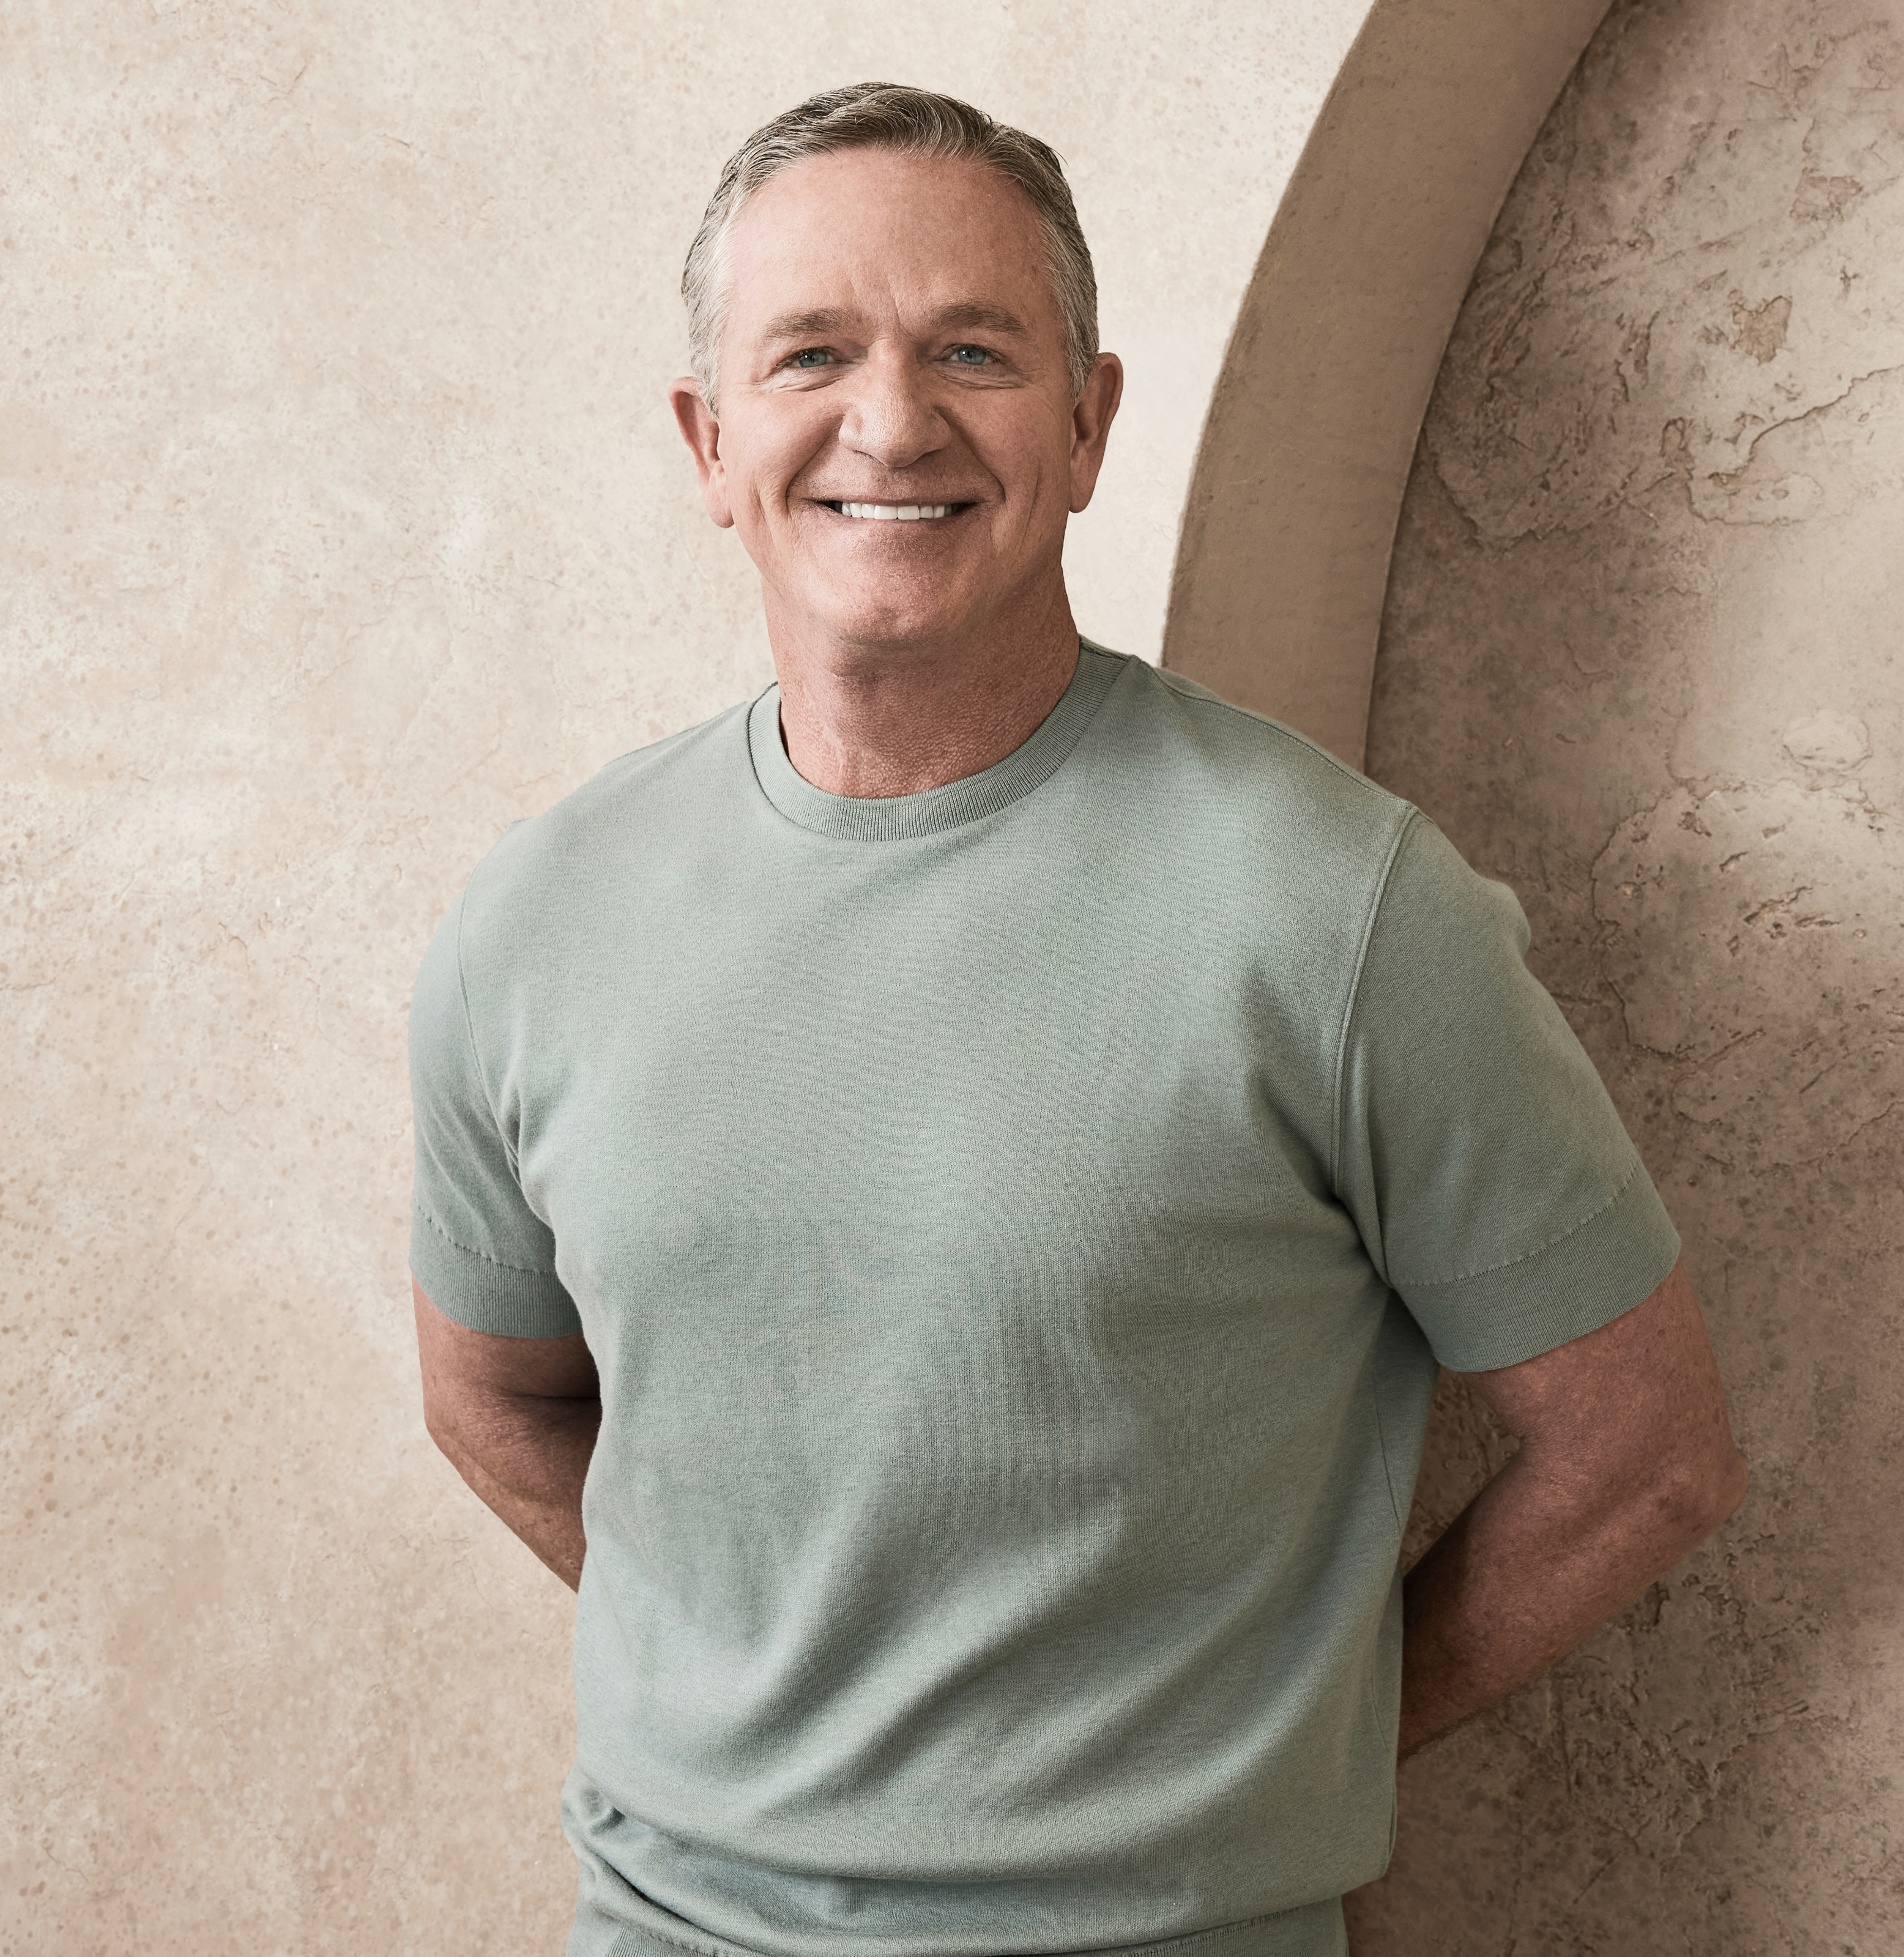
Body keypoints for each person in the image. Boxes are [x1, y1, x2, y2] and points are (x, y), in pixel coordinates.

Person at [409, 83, 1747, 1957]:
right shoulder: (538, 921)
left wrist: (1273, 1763)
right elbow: (492, 1396)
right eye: (811, 356)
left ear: (1091, 423)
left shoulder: (1344, 912)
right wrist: (750, 1701)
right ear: (711, 441)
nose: (892, 423)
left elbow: (1645, 1457)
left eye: (973, 350)